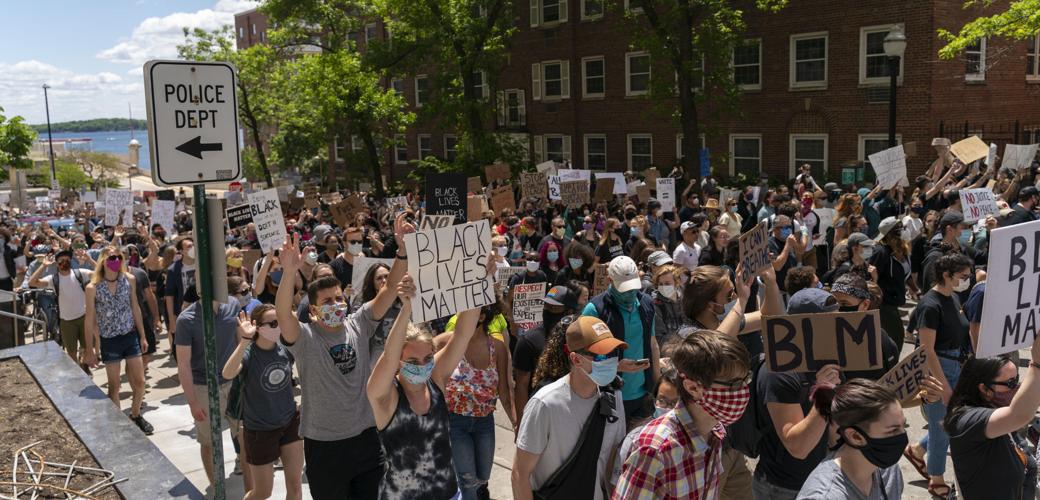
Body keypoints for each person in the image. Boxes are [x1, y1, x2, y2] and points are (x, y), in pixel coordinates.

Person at [275, 213, 410, 500]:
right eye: (327, 302)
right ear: (312, 311)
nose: (336, 304)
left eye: (339, 298)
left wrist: (402, 251)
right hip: (324, 447)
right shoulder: (304, 337)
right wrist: (289, 273)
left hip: (366, 440)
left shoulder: (359, 323)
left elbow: (388, 290)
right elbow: (282, 313)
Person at [366, 273, 476, 499]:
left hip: (448, 493)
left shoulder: (435, 379)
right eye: (413, 362)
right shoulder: (385, 396)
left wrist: (477, 281)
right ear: (399, 361)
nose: (423, 366)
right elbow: (388, 356)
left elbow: (463, 334)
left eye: (428, 358)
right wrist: (406, 309)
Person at [614, 330, 752, 499]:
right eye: (734, 384)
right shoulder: (655, 450)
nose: (743, 390)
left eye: (746, 380)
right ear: (693, 388)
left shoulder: (715, 432)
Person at [512, 316, 628, 500]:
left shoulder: (614, 399)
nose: (610, 361)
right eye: (601, 356)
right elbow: (520, 475)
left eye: (614, 353)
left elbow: (612, 462)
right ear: (576, 359)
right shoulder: (544, 404)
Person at [753, 288, 843, 500]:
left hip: (821, 479)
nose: (838, 328)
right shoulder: (779, 370)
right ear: (804, 326)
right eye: (829, 322)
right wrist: (824, 392)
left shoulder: (828, 358)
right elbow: (798, 447)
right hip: (784, 488)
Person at [904, 253, 973, 498]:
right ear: (946, 275)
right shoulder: (929, 305)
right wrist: (943, 386)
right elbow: (927, 350)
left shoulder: (953, 297)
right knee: (941, 426)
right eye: (963, 276)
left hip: (955, 366)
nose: (967, 280)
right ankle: (936, 478)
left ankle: (917, 451)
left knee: (948, 424)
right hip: (937, 369)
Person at [222, 305, 304, 500]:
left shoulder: (286, 348)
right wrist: (244, 341)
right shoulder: (250, 353)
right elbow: (227, 373)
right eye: (273, 323)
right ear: (258, 327)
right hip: (260, 431)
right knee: (262, 492)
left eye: (280, 322)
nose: (279, 327)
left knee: (295, 485)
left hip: (289, 422)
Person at [435, 303, 515, 500]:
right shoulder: (445, 342)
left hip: (484, 423)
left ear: (482, 317)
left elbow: (505, 392)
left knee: (482, 476)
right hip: (455, 422)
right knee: (467, 479)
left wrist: (516, 423)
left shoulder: (498, 348)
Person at [946, 344, 1040, 500]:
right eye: (1010, 383)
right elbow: (1019, 415)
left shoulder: (998, 411)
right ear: (984, 389)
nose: (1016, 387)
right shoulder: (966, 420)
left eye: (1016, 380)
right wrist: (1037, 363)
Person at [174, 275, 242, 487]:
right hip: (203, 387)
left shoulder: (234, 305)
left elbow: (241, 342)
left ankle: (252, 482)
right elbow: (183, 364)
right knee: (209, 442)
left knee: (245, 435)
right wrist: (193, 402)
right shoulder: (186, 320)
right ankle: (216, 487)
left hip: (235, 383)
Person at [796, 380, 908, 500]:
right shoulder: (824, 496)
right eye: (893, 431)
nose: (903, 436)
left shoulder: (888, 471)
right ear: (855, 437)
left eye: (904, 426)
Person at [83, 245, 152, 435]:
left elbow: (135, 307)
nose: (115, 261)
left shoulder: (129, 280)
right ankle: (118, 424)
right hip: (109, 340)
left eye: (118, 257)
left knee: (139, 382)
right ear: (103, 261)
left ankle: (135, 414)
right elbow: (89, 319)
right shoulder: (92, 288)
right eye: (111, 257)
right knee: (114, 386)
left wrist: (143, 335)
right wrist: (89, 348)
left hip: (129, 336)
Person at [581, 256, 659, 422]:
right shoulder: (595, 310)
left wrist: (657, 385)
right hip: (608, 395)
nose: (630, 293)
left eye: (633, 287)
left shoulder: (647, 304)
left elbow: (652, 344)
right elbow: (582, 358)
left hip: (643, 394)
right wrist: (615, 367)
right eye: (624, 288)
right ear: (610, 280)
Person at [513, 286, 580, 425]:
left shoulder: (581, 340)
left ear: (570, 312)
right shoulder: (528, 341)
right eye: (546, 306)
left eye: (554, 308)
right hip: (541, 418)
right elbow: (521, 385)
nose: (548, 311)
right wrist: (521, 423)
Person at [27, 249, 91, 364]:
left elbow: (101, 273)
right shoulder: (53, 279)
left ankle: (84, 367)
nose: (65, 262)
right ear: (57, 264)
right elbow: (32, 283)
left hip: (84, 318)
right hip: (66, 322)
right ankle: (77, 375)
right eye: (61, 260)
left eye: (67, 259)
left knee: (87, 349)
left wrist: (90, 260)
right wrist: (43, 265)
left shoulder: (80, 273)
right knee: (71, 353)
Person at [870, 217, 915, 346]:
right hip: (884, 304)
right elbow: (871, 278)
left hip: (894, 302)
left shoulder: (902, 251)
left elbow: (906, 274)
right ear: (891, 233)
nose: (904, 230)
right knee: (896, 338)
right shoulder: (881, 252)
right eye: (901, 228)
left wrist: (916, 290)